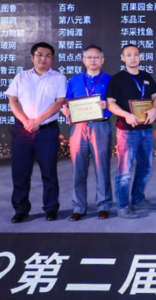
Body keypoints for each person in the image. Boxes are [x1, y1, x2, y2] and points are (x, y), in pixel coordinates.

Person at [6, 42, 67, 223]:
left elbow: (59, 102)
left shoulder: (58, 78)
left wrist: (38, 121)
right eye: (39, 54)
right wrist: (26, 121)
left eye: (48, 55)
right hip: (22, 131)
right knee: (21, 172)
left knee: (49, 171)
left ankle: (51, 208)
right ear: (32, 57)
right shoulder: (21, 76)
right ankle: (21, 209)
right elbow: (13, 101)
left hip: (47, 131)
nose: (43, 58)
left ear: (52, 59)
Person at [106, 45, 156, 219]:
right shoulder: (117, 79)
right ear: (123, 58)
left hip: (146, 130)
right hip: (127, 131)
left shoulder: (146, 76)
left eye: (136, 54)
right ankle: (123, 206)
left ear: (140, 57)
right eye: (128, 55)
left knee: (145, 167)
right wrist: (126, 115)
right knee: (124, 170)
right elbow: (110, 103)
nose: (133, 58)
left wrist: (154, 109)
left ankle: (138, 199)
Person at [61, 45, 113, 221]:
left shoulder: (110, 80)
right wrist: (65, 110)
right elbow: (66, 102)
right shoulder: (74, 80)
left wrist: (108, 105)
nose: (93, 60)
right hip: (79, 127)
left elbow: (117, 103)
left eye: (96, 57)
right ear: (83, 60)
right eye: (89, 57)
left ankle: (103, 205)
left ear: (102, 60)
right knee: (78, 168)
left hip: (100, 126)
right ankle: (79, 207)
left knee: (102, 168)